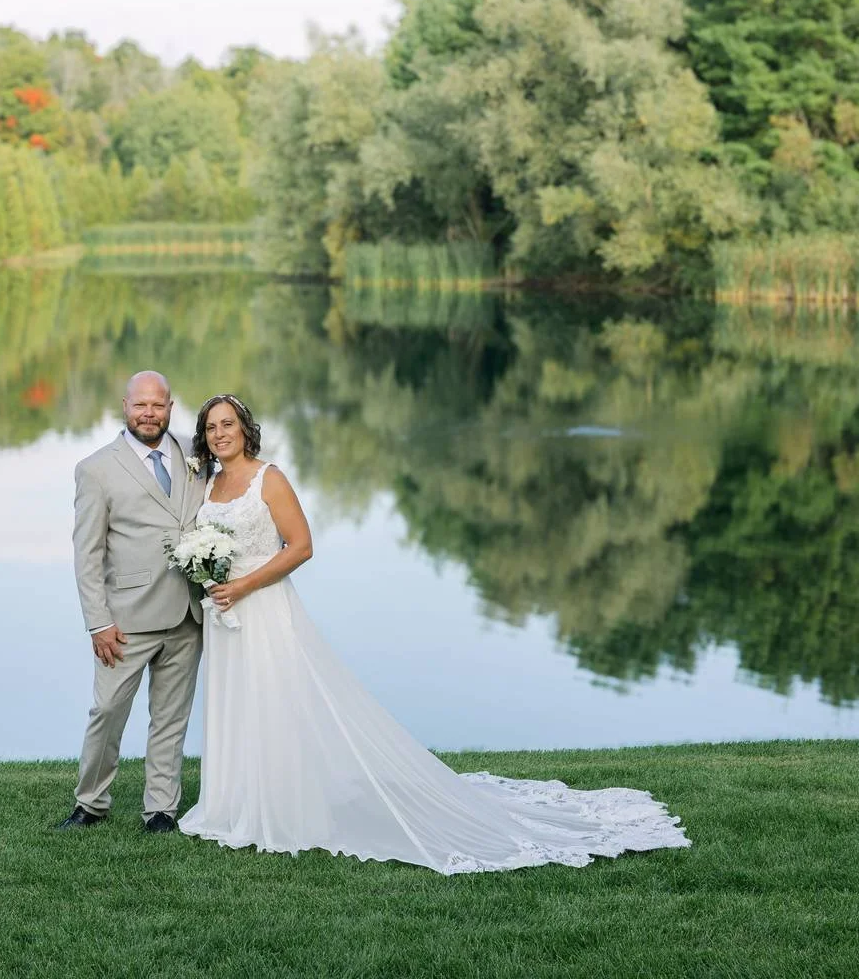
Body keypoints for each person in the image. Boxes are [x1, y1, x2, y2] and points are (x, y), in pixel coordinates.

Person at [178, 393, 690, 873]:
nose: (221, 433)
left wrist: (243, 584)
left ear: (246, 429)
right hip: (225, 616)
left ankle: (284, 807)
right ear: (203, 435)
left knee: (278, 700)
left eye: (229, 424)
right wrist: (211, 577)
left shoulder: (270, 479)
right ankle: (235, 802)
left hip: (264, 608)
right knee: (238, 702)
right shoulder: (208, 484)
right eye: (211, 427)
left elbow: (301, 546)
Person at [56, 370, 208, 834]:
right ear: (125, 406)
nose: (149, 413)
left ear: (170, 407)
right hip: (126, 619)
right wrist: (97, 622)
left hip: (188, 612)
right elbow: (87, 554)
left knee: (171, 717)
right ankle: (91, 803)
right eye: (140, 405)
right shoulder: (97, 468)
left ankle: (161, 810)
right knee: (107, 712)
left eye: (158, 405)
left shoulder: (196, 455)